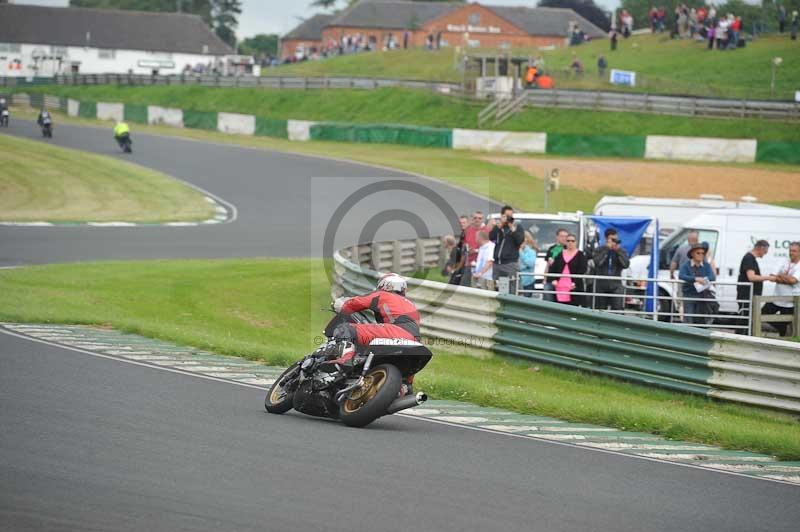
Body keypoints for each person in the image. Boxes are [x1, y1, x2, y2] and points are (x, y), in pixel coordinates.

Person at [333, 272, 420, 395]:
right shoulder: (412, 305)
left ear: (385, 285)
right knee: (406, 379)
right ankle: (404, 387)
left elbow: (354, 304)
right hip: (415, 343)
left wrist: (340, 305)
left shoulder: (382, 295)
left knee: (346, 329)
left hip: (394, 332)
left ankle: (345, 360)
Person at [762, 241, 800, 336]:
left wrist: (780, 275)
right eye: (790, 250)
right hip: (776, 297)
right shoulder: (783, 261)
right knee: (762, 315)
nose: (791, 253)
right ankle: (784, 328)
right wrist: (786, 278)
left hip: (791, 301)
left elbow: (793, 281)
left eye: (794, 251)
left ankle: (784, 344)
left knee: (784, 328)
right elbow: (772, 277)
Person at [489, 205, 525, 293]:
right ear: (502, 216)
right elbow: (491, 237)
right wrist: (499, 226)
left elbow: (520, 241)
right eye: (507, 216)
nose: (509, 218)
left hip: (510, 263)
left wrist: (512, 228)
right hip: (498, 263)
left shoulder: (517, 227)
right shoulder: (499, 227)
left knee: (512, 290)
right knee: (500, 290)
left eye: (511, 216)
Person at [592, 228, 630, 311]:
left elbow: (625, 265)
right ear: (606, 239)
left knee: (617, 309)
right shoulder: (599, 249)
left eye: (616, 239)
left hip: (616, 283)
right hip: (601, 283)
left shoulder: (621, 251)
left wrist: (618, 251)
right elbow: (597, 263)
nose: (614, 241)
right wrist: (606, 250)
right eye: (612, 239)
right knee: (600, 309)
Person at [679, 243, 717, 325]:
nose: (701, 255)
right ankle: (688, 335)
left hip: (703, 295)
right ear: (692, 254)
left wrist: (703, 280)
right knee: (688, 318)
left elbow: (712, 276)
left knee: (701, 319)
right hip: (689, 294)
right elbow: (681, 275)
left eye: (703, 253)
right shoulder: (686, 265)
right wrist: (695, 279)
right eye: (698, 253)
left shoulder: (706, 265)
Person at [737, 240, 776, 317]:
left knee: (748, 317)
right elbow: (751, 277)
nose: (765, 253)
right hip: (747, 295)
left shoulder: (751, 258)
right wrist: (769, 277)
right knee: (745, 318)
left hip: (750, 294)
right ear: (761, 248)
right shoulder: (749, 258)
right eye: (765, 251)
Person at [549, 233, 588, 306]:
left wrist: (575, 282)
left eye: (572, 241)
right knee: (559, 305)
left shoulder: (580, 255)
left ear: (576, 242)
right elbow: (553, 267)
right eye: (568, 241)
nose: (570, 242)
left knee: (573, 305)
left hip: (574, 285)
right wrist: (553, 279)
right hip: (560, 286)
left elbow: (583, 269)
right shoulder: (560, 254)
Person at [543, 228, 569, 301]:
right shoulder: (551, 248)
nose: (564, 238)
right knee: (547, 295)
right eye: (562, 236)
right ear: (557, 237)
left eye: (566, 236)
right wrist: (544, 279)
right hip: (551, 278)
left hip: (563, 280)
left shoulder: (568, 249)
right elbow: (547, 265)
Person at [518, 231, 538, 296]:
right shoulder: (513, 251)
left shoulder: (531, 252)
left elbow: (531, 264)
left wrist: (521, 253)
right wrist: (524, 266)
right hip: (516, 281)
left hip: (528, 282)